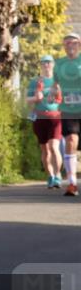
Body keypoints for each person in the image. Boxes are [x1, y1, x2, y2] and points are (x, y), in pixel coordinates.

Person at [26, 55, 62, 189]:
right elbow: (27, 99)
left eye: (49, 62)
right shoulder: (35, 82)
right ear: (40, 65)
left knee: (54, 147)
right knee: (45, 149)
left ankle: (57, 175)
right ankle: (50, 176)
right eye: (44, 62)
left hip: (55, 117)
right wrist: (35, 98)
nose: (46, 65)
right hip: (39, 118)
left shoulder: (58, 81)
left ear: (53, 64)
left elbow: (65, 98)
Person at [53, 32, 81, 197]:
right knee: (71, 140)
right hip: (69, 109)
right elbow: (55, 84)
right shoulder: (59, 64)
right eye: (67, 43)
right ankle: (72, 183)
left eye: (74, 43)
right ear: (64, 46)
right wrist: (53, 91)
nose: (71, 46)